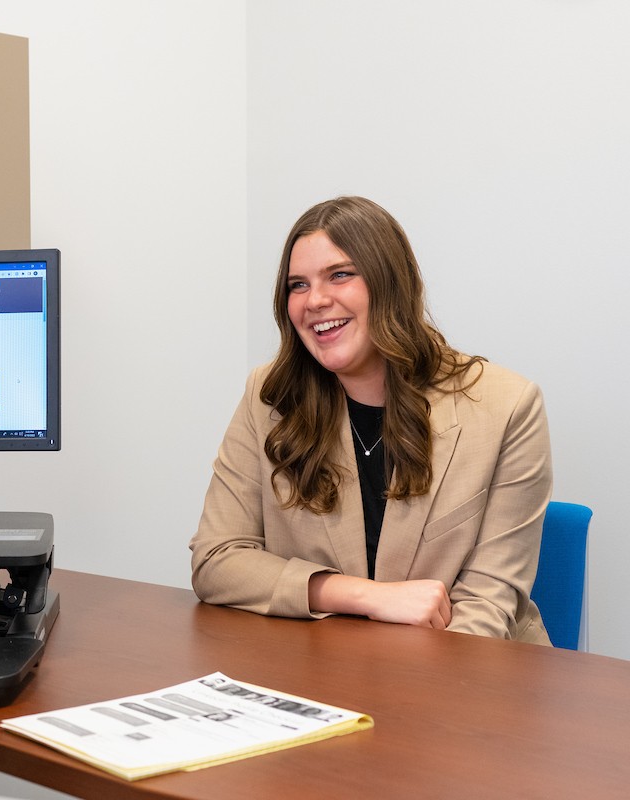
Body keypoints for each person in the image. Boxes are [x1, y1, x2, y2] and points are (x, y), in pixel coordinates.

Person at [189, 196, 552, 644]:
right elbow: (217, 559)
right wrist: (363, 596)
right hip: (321, 667)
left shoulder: (507, 406)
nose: (315, 300)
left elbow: (487, 607)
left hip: (465, 674)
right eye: (297, 285)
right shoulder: (268, 396)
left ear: (389, 284)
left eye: (339, 275)